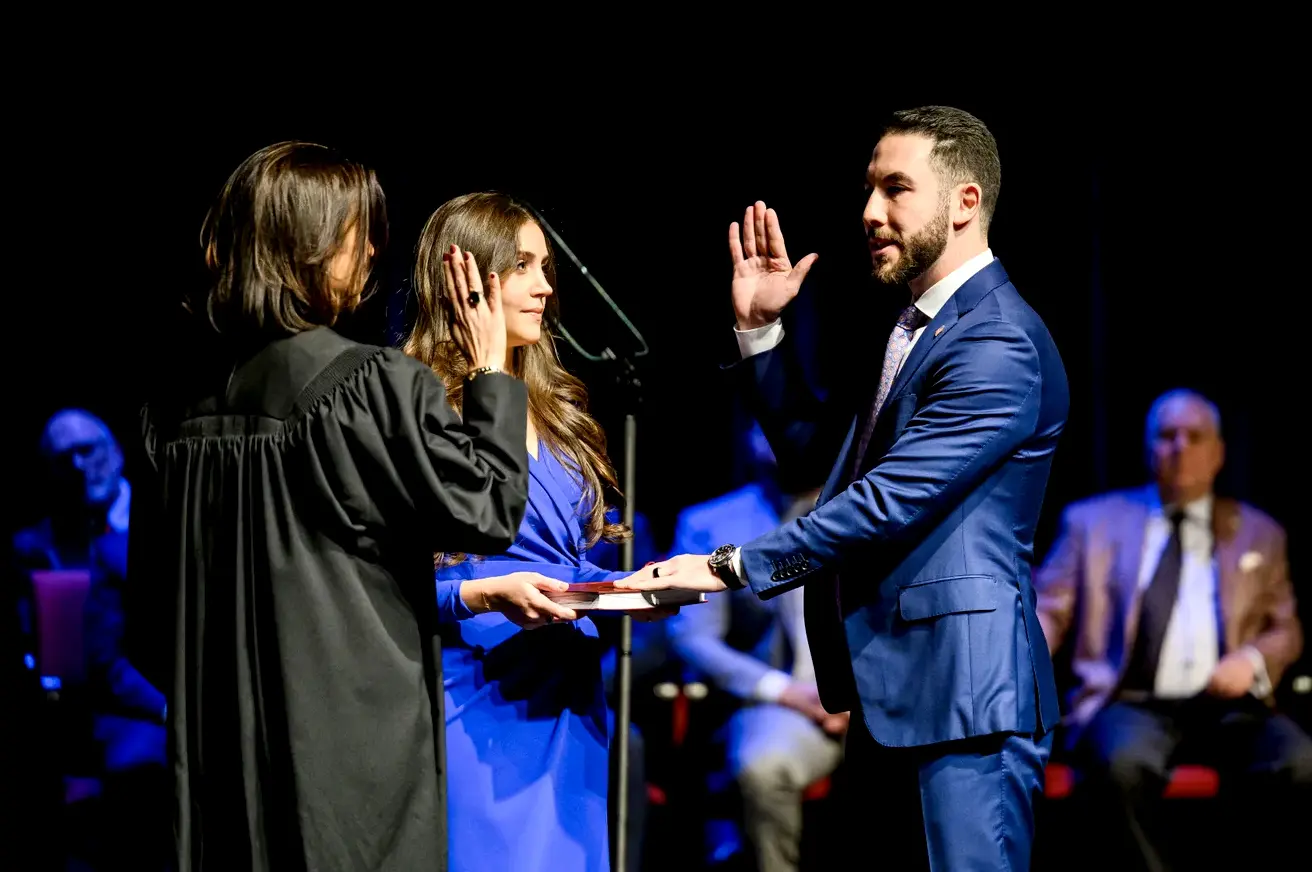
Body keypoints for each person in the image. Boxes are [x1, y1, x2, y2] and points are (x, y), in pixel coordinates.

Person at [620, 105, 1070, 870]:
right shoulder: (913, 328)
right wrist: (760, 334)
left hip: (966, 697)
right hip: (892, 689)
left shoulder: (997, 340)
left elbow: (887, 501)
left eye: (896, 189)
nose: (869, 212)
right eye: (868, 189)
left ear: (966, 202)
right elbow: (819, 466)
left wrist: (729, 567)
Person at [136, 143, 560, 872]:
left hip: (216, 764)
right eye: (354, 232)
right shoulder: (367, 385)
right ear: (307, 243)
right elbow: (488, 511)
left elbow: (146, 619)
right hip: (347, 765)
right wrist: (491, 371)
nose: (369, 251)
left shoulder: (172, 406)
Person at [405, 192, 668, 872]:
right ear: (468, 276)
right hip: (477, 694)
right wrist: (487, 592)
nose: (546, 286)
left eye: (546, 265)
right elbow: (386, 585)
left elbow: (568, 559)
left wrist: (627, 586)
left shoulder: (554, 408)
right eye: (522, 265)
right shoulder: (417, 404)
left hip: (569, 690)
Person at [1035, 388, 1310, 870]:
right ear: (1148, 447)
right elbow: (1048, 610)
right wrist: (1017, 652)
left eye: (1195, 436)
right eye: (1167, 435)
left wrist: (1251, 660)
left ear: (1219, 452)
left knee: (1299, 762)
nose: (1180, 447)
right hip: (1131, 702)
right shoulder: (1091, 524)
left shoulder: (1260, 532)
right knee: (1120, 767)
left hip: (1231, 709)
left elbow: (1284, 630)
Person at [665, 420, 839, 872]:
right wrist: (784, 691)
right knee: (762, 764)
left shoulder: (869, 505)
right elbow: (691, 637)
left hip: (886, 695)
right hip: (788, 698)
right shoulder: (712, 523)